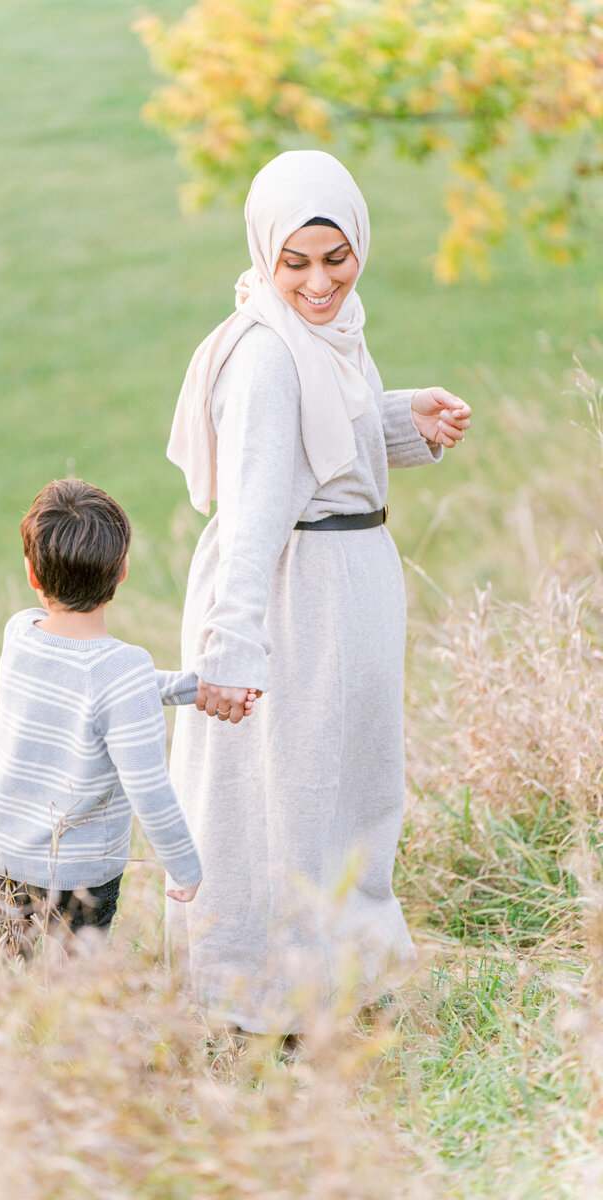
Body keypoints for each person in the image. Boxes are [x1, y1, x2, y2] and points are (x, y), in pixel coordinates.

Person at [165, 150, 472, 1033]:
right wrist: (229, 650)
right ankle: (270, 996)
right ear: (265, 253)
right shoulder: (266, 356)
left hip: (348, 592)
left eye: (334, 257)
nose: (317, 281)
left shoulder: (334, 334)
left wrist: (401, 419)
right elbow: (256, 511)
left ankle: (345, 971)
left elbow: (326, 440)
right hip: (294, 602)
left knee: (351, 792)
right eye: (294, 262)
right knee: (283, 801)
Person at [0, 478, 250, 951]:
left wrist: (194, 686)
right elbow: (149, 788)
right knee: (75, 991)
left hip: (3, 856)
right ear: (122, 570)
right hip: (80, 876)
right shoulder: (123, 670)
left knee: (14, 980)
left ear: (32, 574)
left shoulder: (19, 634)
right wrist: (184, 866)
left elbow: (97, 689)